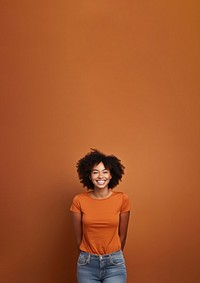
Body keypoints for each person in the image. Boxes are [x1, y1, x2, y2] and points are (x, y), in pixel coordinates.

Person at [70, 149, 131, 283]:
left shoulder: (122, 199)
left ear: (111, 175)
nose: (100, 176)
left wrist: (114, 255)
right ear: (89, 176)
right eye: (95, 172)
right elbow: (78, 238)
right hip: (87, 264)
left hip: (114, 264)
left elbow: (123, 236)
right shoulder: (79, 200)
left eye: (105, 172)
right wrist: (87, 256)